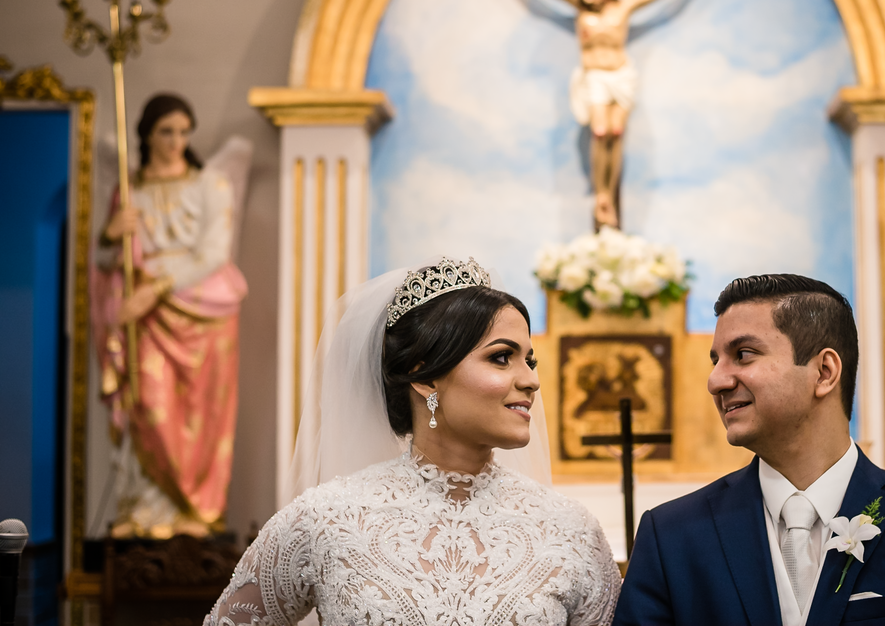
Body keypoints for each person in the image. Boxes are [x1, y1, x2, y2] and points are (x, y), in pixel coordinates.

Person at [206, 257, 620, 626]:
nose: (531, 380)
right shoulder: (325, 520)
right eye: (501, 357)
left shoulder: (571, 531)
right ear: (424, 376)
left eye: (529, 360)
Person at [614, 274, 885, 626]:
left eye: (743, 354)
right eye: (716, 360)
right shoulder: (671, 538)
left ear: (824, 372)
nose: (715, 381)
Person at [481, 0, 726, 228]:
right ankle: (602, 196)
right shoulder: (579, 8)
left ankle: (609, 191)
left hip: (621, 75)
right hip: (594, 76)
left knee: (616, 133)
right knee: (600, 132)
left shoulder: (623, 8)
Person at [92, 93, 248, 539]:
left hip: (200, 309)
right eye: (167, 132)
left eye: (183, 132)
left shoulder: (210, 185)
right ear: (147, 135)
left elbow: (214, 253)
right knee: (147, 400)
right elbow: (104, 260)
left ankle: (195, 512)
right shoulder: (131, 190)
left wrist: (153, 291)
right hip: (146, 319)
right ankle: (145, 508)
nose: (177, 141)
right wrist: (110, 234)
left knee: (199, 411)